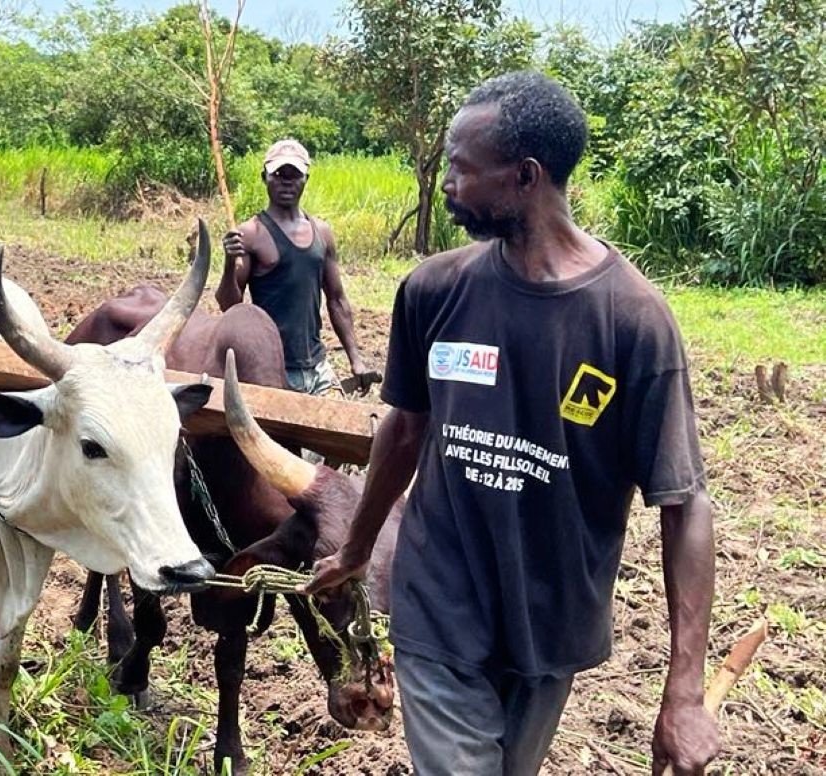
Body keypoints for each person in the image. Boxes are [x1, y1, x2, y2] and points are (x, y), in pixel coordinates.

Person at [305, 72, 719, 776]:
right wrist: (356, 549)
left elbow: (684, 502)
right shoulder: (433, 290)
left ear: (525, 176)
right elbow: (403, 431)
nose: (448, 185)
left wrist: (683, 691)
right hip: (436, 601)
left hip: (551, 621)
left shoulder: (634, 321)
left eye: (462, 170)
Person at [216, 138, 372, 395]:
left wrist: (356, 358)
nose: (286, 181)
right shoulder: (250, 234)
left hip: (316, 364)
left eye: (294, 174)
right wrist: (229, 262)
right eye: (278, 174)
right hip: (269, 367)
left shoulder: (322, 232)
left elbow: (337, 300)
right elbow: (229, 305)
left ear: (305, 179)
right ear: (264, 178)